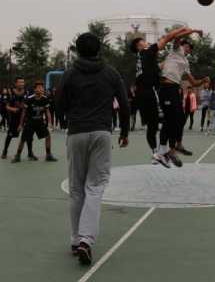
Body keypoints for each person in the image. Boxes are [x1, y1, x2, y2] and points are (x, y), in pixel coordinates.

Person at [56, 33, 130, 266]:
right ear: (99, 49)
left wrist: (65, 120)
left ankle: (76, 239)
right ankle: (86, 240)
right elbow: (125, 103)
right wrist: (125, 131)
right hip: (101, 132)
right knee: (95, 187)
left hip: (76, 132)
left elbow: (58, 102)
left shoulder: (70, 73)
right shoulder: (110, 73)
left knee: (76, 188)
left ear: (77, 50)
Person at [130, 26, 200, 168]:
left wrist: (171, 59)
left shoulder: (143, 60)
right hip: (151, 92)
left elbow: (161, 66)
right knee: (169, 119)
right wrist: (187, 29)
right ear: (139, 46)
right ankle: (165, 150)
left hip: (141, 94)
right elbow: (168, 37)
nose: (147, 43)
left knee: (153, 125)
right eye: (144, 42)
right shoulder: (147, 52)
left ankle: (156, 154)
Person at [157, 37, 209, 166]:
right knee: (170, 121)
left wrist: (203, 80)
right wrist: (189, 31)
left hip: (175, 89)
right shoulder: (175, 51)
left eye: (190, 48)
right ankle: (168, 151)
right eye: (186, 46)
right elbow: (176, 39)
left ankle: (178, 145)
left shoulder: (185, 62)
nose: (188, 48)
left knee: (180, 119)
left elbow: (194, 83)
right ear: (181, 46)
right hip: (166, 88)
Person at [12, 81, 57, 162]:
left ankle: (48, 155)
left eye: (42, 88)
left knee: (48, 136)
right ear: (35, 89)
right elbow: (24, 112)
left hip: (40, 122)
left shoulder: (45, 99)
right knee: (23, 139)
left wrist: (50, 122)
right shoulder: (29, 99)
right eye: (39, 88)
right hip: (30, 122)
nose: (41, 89)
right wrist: (20, 124)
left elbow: (47, 112)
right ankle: (18, 155)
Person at [2, 77, 27, 159]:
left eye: (23, 82)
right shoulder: (10, 93)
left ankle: (30, 153)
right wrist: (13, 109)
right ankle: (5, 151)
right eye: (20, 82)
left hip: (25, 117)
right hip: (14, 118)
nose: (21, 84)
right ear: (16, 84)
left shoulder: (26, 92)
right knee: (10, 135)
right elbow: (6, 106)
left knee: (28, 135)